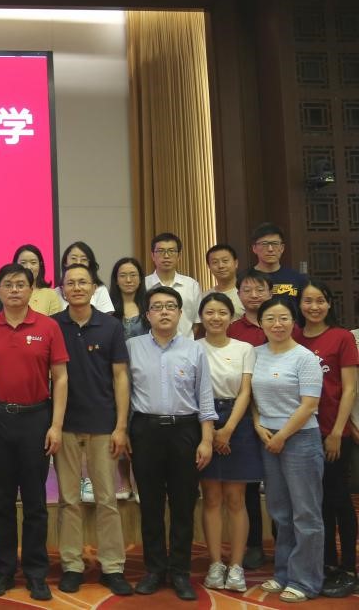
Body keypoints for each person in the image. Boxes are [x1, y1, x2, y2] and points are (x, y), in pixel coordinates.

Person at [0, 264, 69, 601]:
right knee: (0, 501)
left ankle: (35, 572)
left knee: (35, 502)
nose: (14, 290)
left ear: (32, 289)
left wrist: (55, 425)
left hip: (36, 419)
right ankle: (2, 570)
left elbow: (60, 378)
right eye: (7, 284)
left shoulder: (48, 327)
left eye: (20, 284)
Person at [126, 285, 216, 601]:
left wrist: (206, 439)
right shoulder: (132, 347)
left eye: (170, 306)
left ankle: (179, 572)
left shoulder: (195, 349)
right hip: (145, 430)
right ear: (147, 314)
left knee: (183, 504)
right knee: (150, 504)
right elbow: (123, 393)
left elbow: (205, 396)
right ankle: (154, 569)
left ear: (180, 313)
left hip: (185, 431)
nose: (164, 312)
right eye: (157, 307)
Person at [51, 265, 133, 596]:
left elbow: (120, 377)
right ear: (62, 289)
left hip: (103, 424)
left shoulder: (111, 326)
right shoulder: (53, 325)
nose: (77, 287)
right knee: (68, 500)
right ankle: (71, 565)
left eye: (83, 282)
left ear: (94, 287)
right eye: (70, 283)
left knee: (106, 499)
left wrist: (121, 426)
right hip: (66, 424)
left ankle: (113, 566)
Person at [251, 297, 324, 602]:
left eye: (283, 318)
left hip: (300, 439)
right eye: (270, 318)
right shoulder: (255, 354)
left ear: (294, 322)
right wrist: (258, 425)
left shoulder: (305, 358)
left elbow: (309, 404)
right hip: (268, 438)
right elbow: (250, 396)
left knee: (305, 513)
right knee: (280, 511)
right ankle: (283, 573)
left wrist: (282, 435)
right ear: (261, 323)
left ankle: (305, 581)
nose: (277, 324)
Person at [294, 279, 358, 597]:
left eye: (320, 300)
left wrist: (336, 432)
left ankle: (348, 567)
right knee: (315, 503)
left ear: (329, 303)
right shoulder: (293, 336)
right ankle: (327, 562)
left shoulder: (341, 337)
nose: (314, 307)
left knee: (338, 498)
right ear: (299, 305)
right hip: (301, 432)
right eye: (308, 301)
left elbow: (350, 389)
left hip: (332, 432)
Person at [196, 292, 259, 593]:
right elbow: (194, 390)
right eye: (209, 312)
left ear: (231, 317)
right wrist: (211, 433)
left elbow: (246, 391)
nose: (216, 318)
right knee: (211, 497)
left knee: (236, 498)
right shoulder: (193, 348)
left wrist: (229, 429)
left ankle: (236, 565)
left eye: (222, 312)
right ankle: (214, 564)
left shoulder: (245, 348)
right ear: (201, 316)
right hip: (203, 419)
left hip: (238, 419)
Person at [227, 268, 273, 570]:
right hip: (244, 415)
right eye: (247, 290)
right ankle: (254, 544)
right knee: (249, 485)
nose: (254, 295)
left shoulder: (283, 323)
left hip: (280, 414)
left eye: (260, 289)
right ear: (239, 295)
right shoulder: (232, 329)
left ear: (270, 292)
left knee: (281, 486)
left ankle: (285, 544)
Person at [108, 257, 147, 501]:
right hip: (114, 375)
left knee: (140, 428)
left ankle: (141, 480)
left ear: (140, 279)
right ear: (116, 279)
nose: (128, 280)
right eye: (123, 275)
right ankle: (123, 480)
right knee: (120, 424)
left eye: (133, 275)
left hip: (144, 374)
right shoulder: (108, 308)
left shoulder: (149, 306)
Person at [144, 233, 200, 339]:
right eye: (161, 251)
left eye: (171, 251)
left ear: (179, 256)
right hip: (151, 345)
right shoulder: (143, 285)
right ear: (152, 256)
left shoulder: (191, 285)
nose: (166, 256)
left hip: (185, 345)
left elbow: (197, 322)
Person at [249, 222, 308, 300]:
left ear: (282, 248)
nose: (270, 249)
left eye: (275, 243)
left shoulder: (298, 279)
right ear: (254, 248)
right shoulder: (245, 279)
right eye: (264, 244)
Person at [58, 242, 114, 312]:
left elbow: (105, 317)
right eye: (74, 258)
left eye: (83, 259)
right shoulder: (56, 292)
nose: (78, 262)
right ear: (65, 262)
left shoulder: (100, 290)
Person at [14, 244, 61, 315]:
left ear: (40, 265)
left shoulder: (50, 295)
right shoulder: (8, 292)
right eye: (23, 263)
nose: (28, 267)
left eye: (33, 263)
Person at [205, 244, 243, 321]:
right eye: (215, 262)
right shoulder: (205, 296)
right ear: (209, 267)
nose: (221, 266)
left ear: (236, 263)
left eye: (225, 261)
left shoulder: (248, 293)